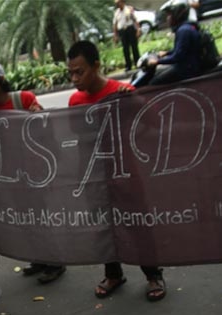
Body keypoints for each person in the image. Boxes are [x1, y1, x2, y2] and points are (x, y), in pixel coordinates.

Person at [67, 40, 166, 301]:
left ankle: (153, 275)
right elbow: (77, 134)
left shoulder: (123, 91)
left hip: (127, 172)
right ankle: (113, 274)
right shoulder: (75, 100)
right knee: (104, 227)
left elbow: (153, 120)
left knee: (137, 224)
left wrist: (133, 100)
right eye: (71, 73)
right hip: (95, 175)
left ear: (96, 66)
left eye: (80, 71)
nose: (75, 78)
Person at [0, 61, 66, 284]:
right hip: (13, 172)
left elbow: (46, 127)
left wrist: (39, 115)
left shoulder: (23, 98)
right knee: (26, 217)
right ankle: (39, 259)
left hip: (35, 170)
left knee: (40, 216)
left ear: (1, 80)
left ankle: (55, 262)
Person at [147, 0, 201, 85]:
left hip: (186, 69)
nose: (167, 18)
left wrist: (157, 61)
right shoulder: (186, 27)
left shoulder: (183, 31)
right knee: (159, 73)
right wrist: (166, 53)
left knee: (154, 83)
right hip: (188, 65)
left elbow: (177, 56)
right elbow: (182, 49)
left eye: (169, 15)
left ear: (177, 14)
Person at [113, 0, 141, 72]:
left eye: (118, 3)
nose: (118, 4)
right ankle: (128, 66)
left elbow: (135, 20)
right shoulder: (116, 12)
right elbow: (115, 24)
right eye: (116, 3)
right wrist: (115, 35)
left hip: (130, 29)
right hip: (122, 31)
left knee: (134, 46)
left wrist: (138, 29)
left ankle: (137, 63)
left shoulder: (129, 9)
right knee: (125, 49)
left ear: (122, 2)